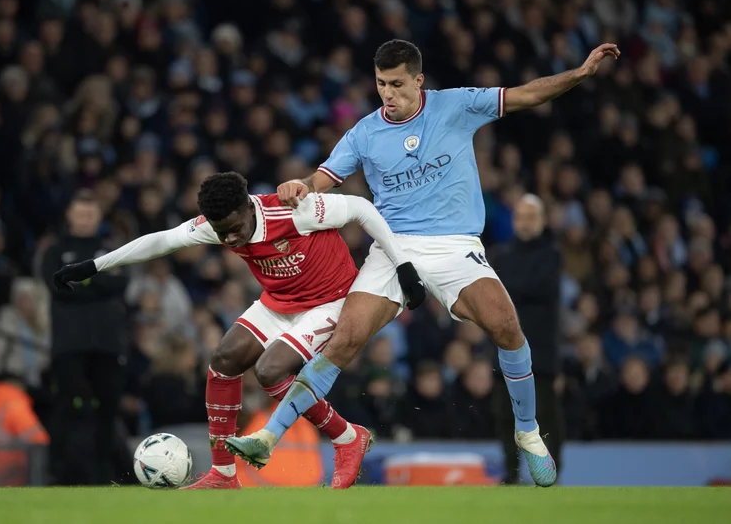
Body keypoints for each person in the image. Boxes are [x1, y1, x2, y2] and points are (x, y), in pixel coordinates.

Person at [227, 38, 620, 488]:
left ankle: (528, 432)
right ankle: (269, 437)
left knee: (507, 328)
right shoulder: (364, 133)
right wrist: (301, 185)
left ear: (418, 80)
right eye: (380, 84)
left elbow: (525, 94)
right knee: (343, 340)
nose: (387, 94)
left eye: (396, 84)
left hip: (455, 245)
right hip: (394, 247)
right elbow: (324, 177)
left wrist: (579, 73)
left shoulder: (456, 106)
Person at [52, 171, 424, 489]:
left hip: (331, 301)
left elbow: (360, 207)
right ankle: (223, 473)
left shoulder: (295, 210)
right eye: (221, 233)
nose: (229, 240)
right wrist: (94, 266)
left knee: (269, 371)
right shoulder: (218, 226)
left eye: (234, 229)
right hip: (278, 302)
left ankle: (346, 436)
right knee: (224, 359)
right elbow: (162, 241)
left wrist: (402, 264)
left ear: (249, 207)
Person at [40, 190, 129, 485]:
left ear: (98, 217)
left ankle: (105, 474)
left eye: (90, 214)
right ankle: (56, 472)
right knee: (63, 405)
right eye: (80, 213)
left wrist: (78, 279)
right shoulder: (54, 250)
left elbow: (121, 284)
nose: (85, 219)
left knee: (109, 408)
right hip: (69, 343)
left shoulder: (110, 248)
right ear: (69, 215)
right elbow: (55, 285)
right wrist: (98, 281)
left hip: (106, 342)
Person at [492, 195, 564, 484]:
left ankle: (549, 476)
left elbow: (539, 288)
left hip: (541, 353)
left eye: (531, 216)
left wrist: (508, 288)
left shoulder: (552, 254)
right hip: (502, 348)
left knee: (545, 418)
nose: (525, 222)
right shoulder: (501, 254)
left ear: (543, 220)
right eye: (520, 216)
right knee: (504, 416)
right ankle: (510, 475)